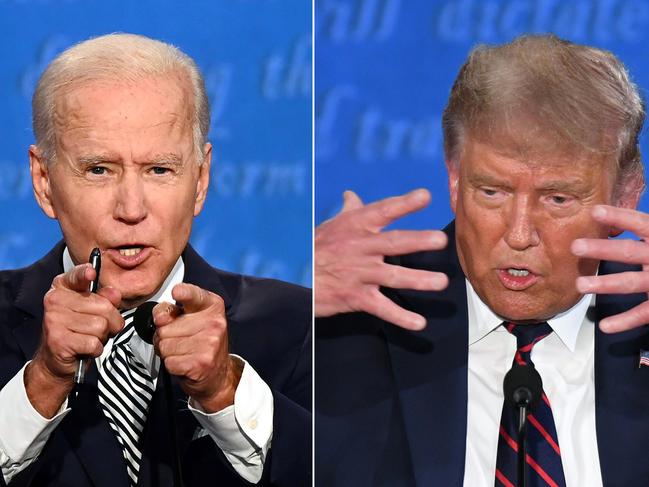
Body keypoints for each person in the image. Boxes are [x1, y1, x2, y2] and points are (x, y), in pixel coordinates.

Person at [315, 35, 649, 486]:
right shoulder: (346, 323)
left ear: (626, 198)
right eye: (492, 191)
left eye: (557, 198)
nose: (518, 234)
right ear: (454, 178)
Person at [0, 34, 310, 487]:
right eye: (99, 169)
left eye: (159, 170)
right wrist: (44, 381)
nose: (131, 208)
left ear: (200, 180)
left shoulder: (300, 326)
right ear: (44, 180)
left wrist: (225, 391)